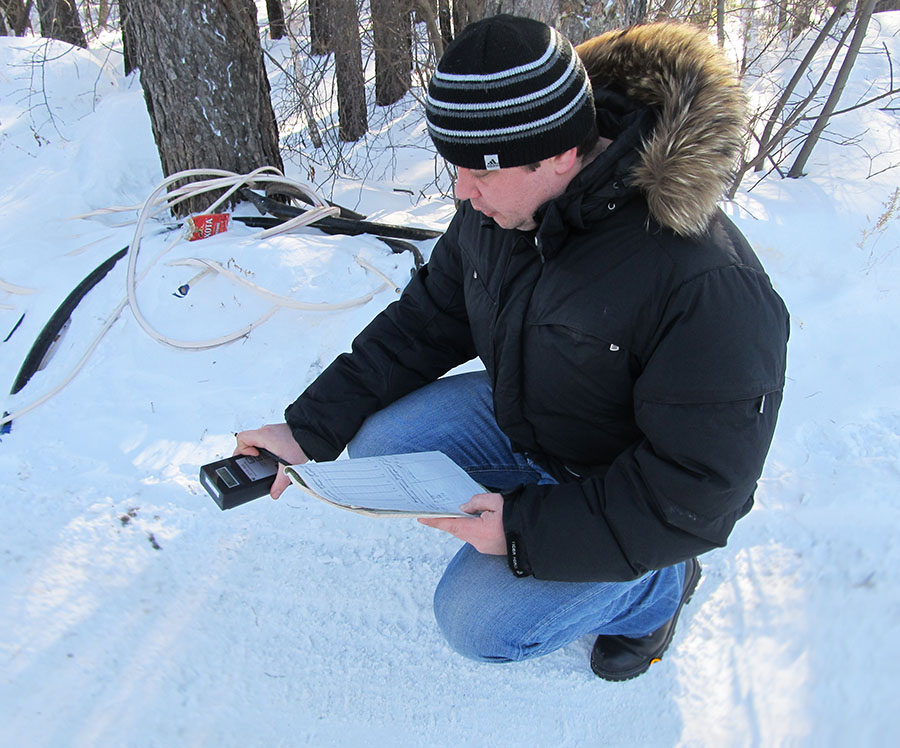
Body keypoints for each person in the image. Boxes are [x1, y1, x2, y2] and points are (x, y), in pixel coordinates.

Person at [236, 15, 789, 681]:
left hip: (632, 484)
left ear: (559, 154)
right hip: (536, 418)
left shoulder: (706, 282)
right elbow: (427, 319)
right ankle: (541, 505)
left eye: (479, 174)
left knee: (480, 624)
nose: (461, 194)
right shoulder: (501, 206)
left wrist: (525, 533)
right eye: (457, 169)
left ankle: (657, 591)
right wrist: (307, 429)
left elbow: (698, 491)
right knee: (379, 446)